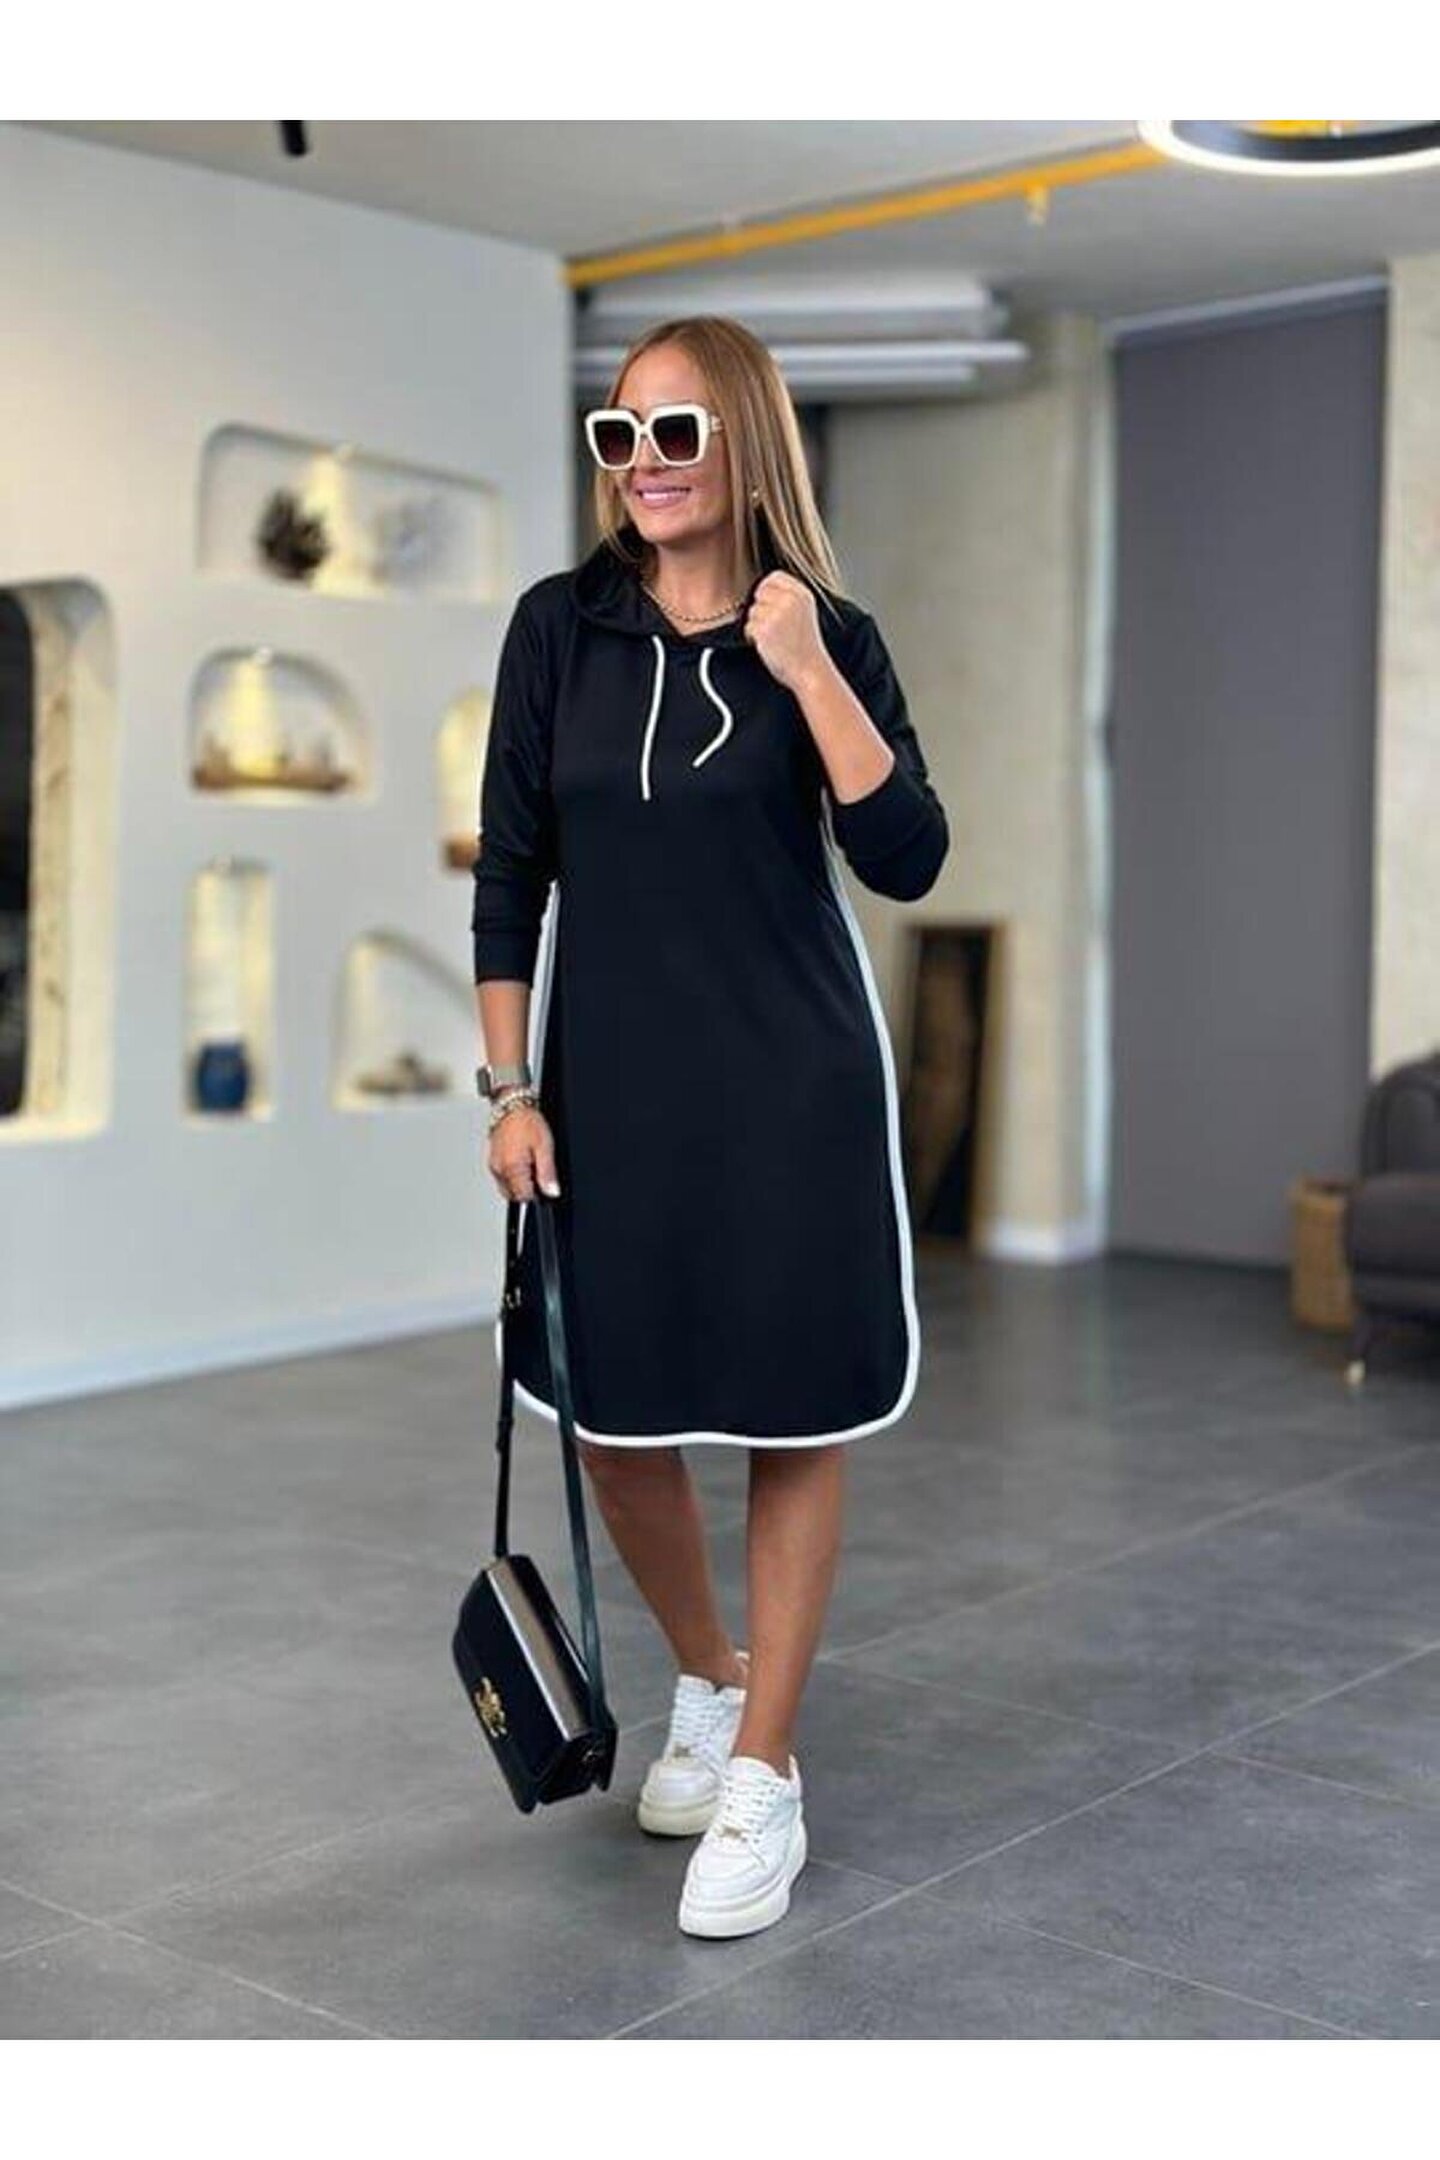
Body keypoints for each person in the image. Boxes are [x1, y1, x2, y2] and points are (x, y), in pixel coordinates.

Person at [471, 314, 948, 1940]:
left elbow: (906, 857)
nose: (645, 463)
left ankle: (764, 1770)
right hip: (609, 1091)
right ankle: (710, 1671)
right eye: (619, 435)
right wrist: (509, 1086)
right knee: (612, 1415)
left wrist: (806, 668)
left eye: (675, 432)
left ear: (744, 444)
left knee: (790, 1418)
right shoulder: (562, 629)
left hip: (792, 1088)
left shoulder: (831, 631)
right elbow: (512, 870)